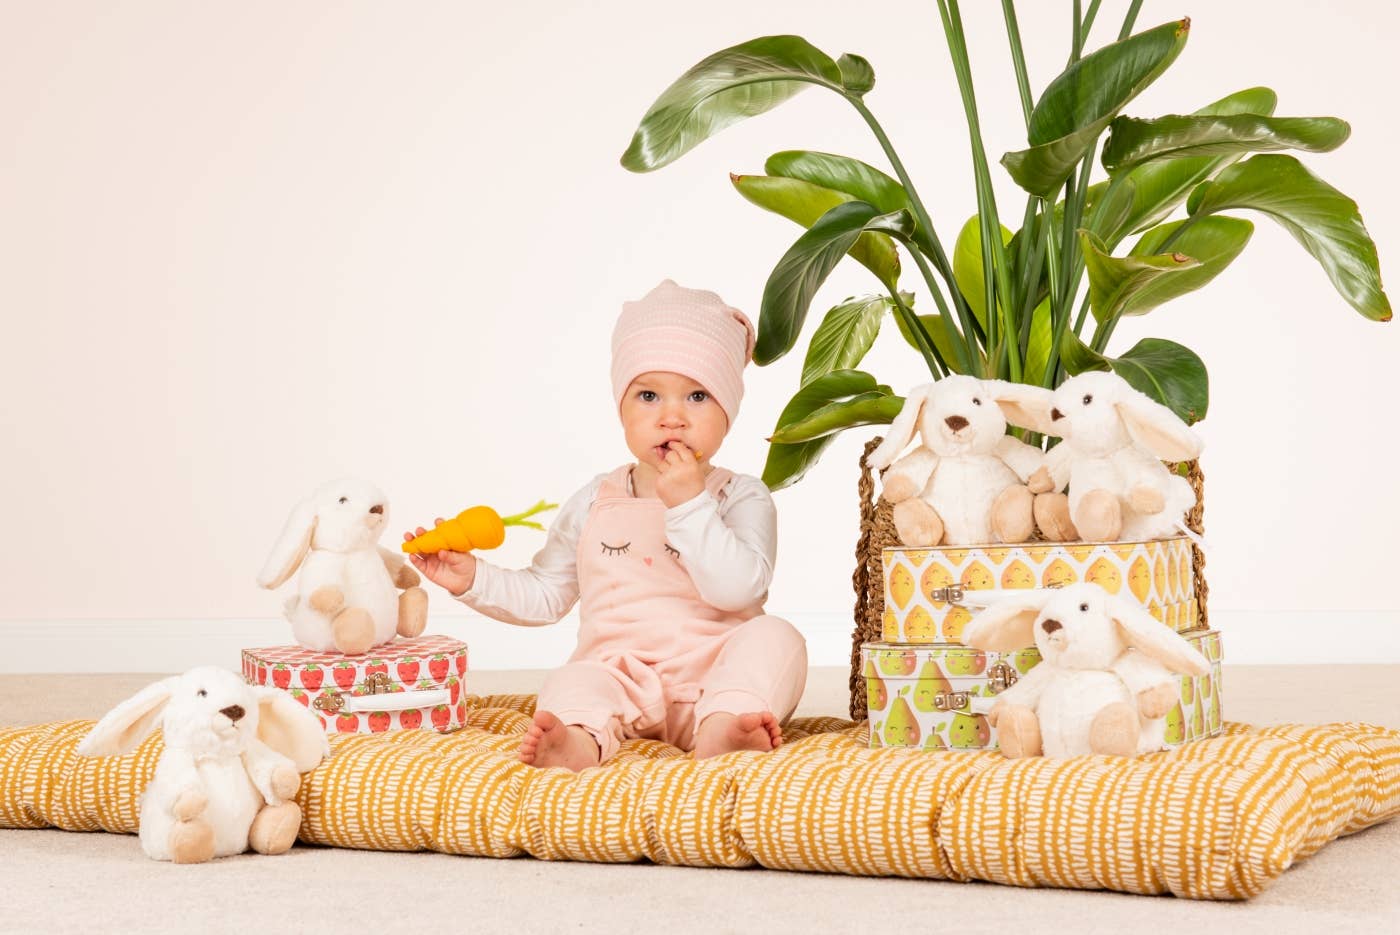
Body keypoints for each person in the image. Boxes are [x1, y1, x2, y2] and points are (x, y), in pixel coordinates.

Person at [408, 280, 807, 770]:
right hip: (619, 677)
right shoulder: (596, 500)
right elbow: (547, 593)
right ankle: (577, 739)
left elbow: (738, 590)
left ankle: (724, 725)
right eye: (648, 395)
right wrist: (473, 580)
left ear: (729, 411)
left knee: (778, 638)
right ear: (621, 406)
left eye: (698, 396)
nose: (672, 417)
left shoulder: (740, 496)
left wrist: (689, 505)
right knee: (571, 682)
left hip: (717, 673)